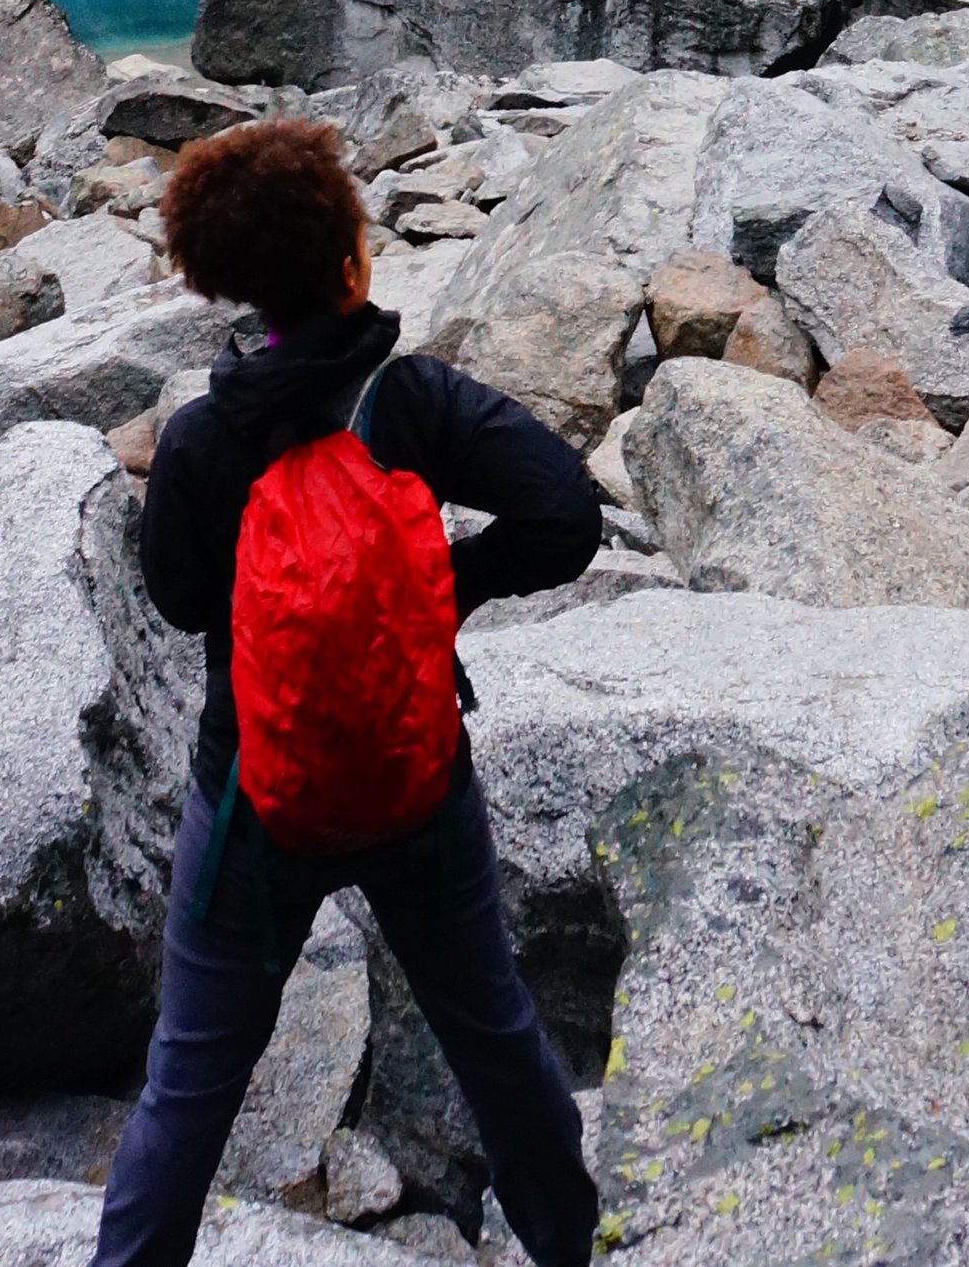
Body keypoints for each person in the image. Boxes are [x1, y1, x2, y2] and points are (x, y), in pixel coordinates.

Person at [92, 115, 603, 1267]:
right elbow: (567, 516)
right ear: (351, 266)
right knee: (492, 1033)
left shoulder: (202, 441)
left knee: (190, 1081)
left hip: (252, 801)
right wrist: (437, 590)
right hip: (417, 776)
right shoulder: (411, 405)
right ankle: (575, 1248)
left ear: (227, 289)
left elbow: (176, 604)